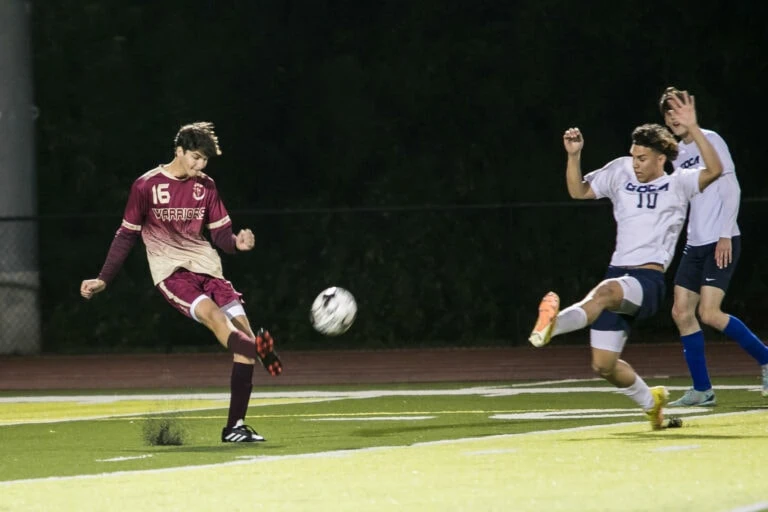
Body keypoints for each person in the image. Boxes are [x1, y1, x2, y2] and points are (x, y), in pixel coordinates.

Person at [528, 92, 723, 430]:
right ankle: (654, 406)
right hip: (618, 274)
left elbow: (716, 170)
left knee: (603, 293)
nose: (636, 164)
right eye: (633, 156)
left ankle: (551, 326)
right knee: (603, 365)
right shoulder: (620, 171)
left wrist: (693, 127)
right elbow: (578, 192)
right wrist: (574, 156)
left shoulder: (679, 184)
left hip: (647, 281)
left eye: (643, 158)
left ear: (662, 158)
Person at [80, 122, 282, 443]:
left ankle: (234, 427)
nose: (200, 165)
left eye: (205, 160)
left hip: (208, 268)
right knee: (216, 319)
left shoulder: (207, 186)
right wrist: (104, 278)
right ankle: (259, 351)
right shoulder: (146, 186)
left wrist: (236, 243)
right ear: (179, 151)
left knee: (242, 335)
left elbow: (220, 236)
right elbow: (125, 236)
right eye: (196, 158)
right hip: (172, 274)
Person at [659, 87, 768, 406]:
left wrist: (724, 233)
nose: (673, 115)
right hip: (695, 244)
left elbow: (730, 187)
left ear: (690, 109)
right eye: (667, 112)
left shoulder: (711, 139)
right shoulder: (676, 154)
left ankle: (765, 358)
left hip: (721, 238)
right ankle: (702, 389)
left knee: (709, 313)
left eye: (677, 108)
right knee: (681, 311)